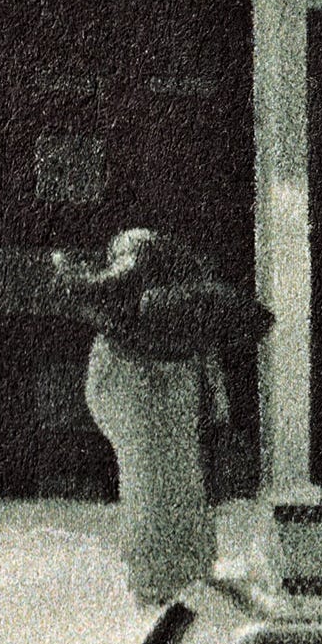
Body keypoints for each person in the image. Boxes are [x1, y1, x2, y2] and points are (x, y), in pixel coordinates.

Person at [57, 227, 273, 609]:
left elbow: (233, 333)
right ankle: (161, 580)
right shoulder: (142, 278)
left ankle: (182, 575)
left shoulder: (187, 301)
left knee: (173, 475)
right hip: (136, 375)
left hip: (161, 373)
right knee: (153, 476)